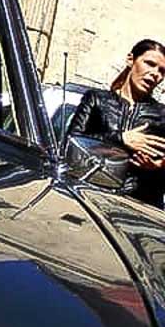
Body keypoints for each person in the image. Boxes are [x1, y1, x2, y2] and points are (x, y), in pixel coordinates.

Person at [66, 40, 165, 207]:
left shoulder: (161, 115)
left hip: (137, 206)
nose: (155, 73)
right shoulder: (97, 100)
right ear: (130, 60)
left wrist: (157, 167)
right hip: (88, 195)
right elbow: (72, 142)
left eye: (162, 71)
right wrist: (120, 138)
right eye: (149, 63)